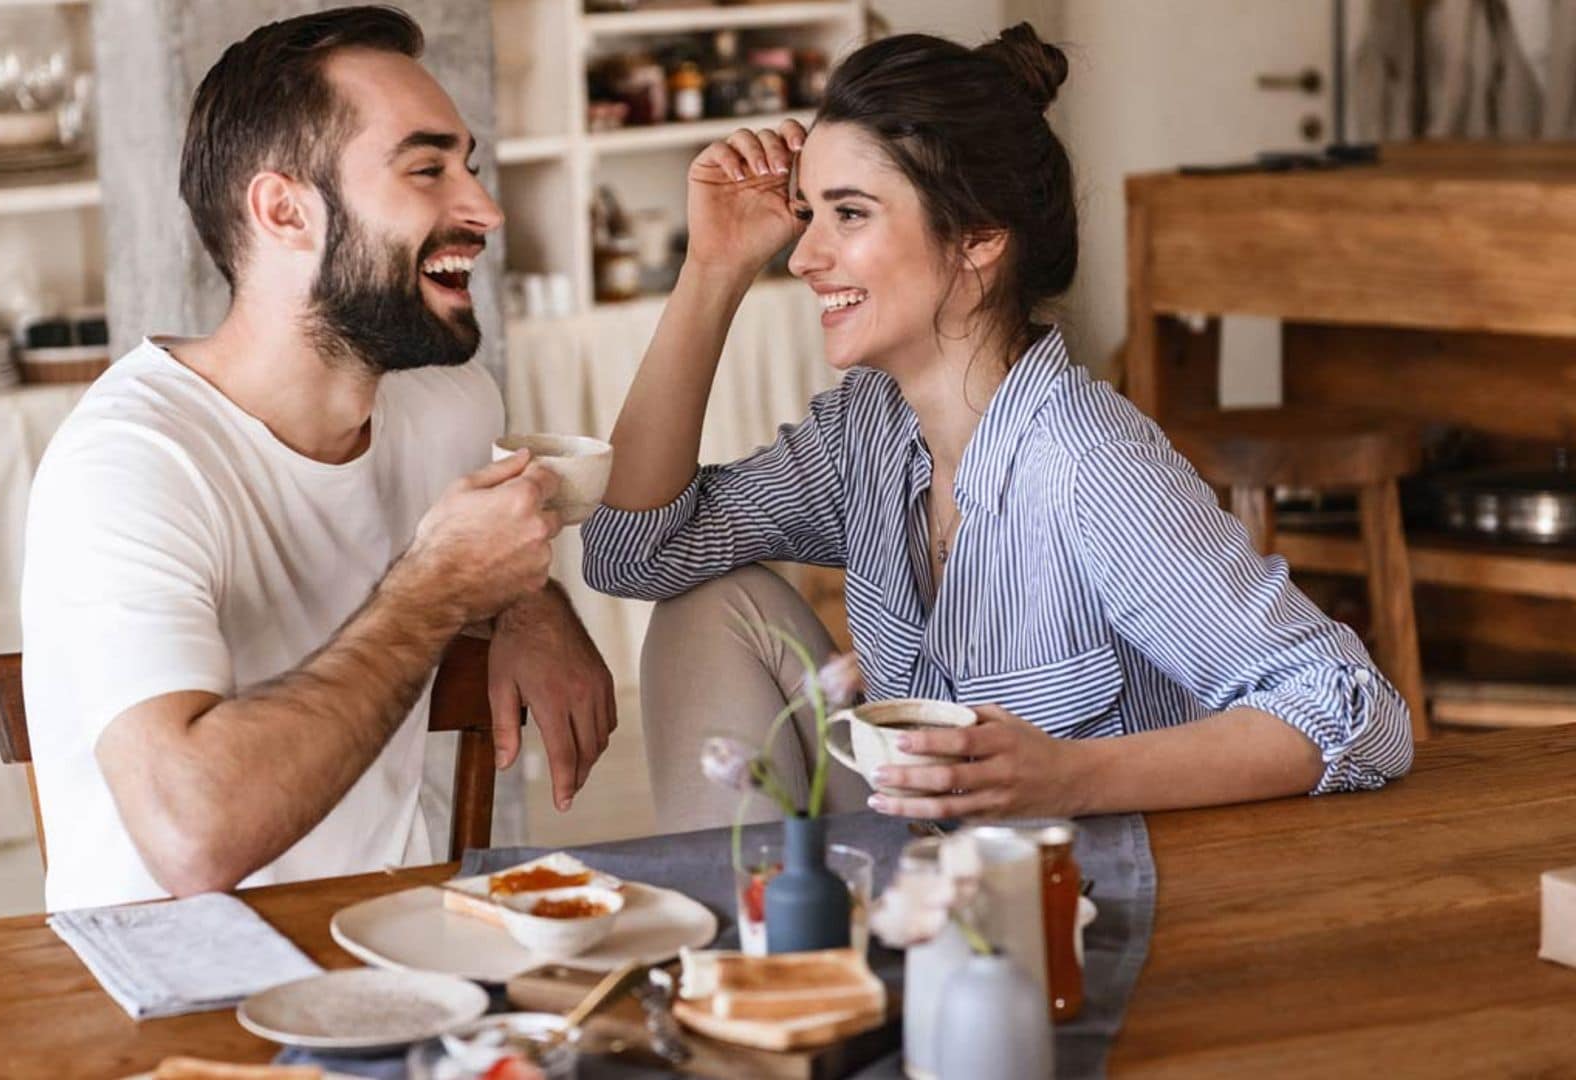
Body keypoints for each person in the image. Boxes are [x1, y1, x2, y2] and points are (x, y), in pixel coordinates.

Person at [580, 26, 1412, 832]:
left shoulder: (1090, 467)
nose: (802, 256)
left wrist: (1070, 778)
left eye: (851, 214)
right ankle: (758, 969)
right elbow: (632, 553)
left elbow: (1358, 712)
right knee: (708, 602)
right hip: (932, 880)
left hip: (1096, 900)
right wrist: (712, 268)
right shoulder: (865, 435)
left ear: (976, 239)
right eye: (808, 212)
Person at [20, 6, 615, 912]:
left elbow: (484, 564)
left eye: (470, 168)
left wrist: (532, 606)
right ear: (284, 210)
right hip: (173, 990)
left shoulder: (453, 408)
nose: (484, 210)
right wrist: (438, 591)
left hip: (389, 945)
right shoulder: (130, 463)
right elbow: (192, 836)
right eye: (427, 170)